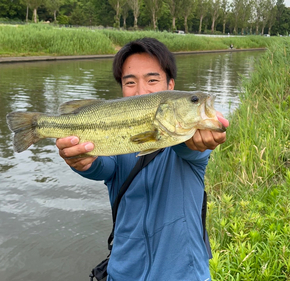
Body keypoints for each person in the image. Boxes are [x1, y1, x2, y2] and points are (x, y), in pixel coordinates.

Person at [56, 37, 229, 280]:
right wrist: (80, 161)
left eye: (152, 80)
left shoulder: (190, 142)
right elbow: (100, 166)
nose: (141, 90)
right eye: (129, 82)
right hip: (123, 273)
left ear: (171, 86)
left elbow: (193, 150)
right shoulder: (116, 142)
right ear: (121, 89)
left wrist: (200, 136)